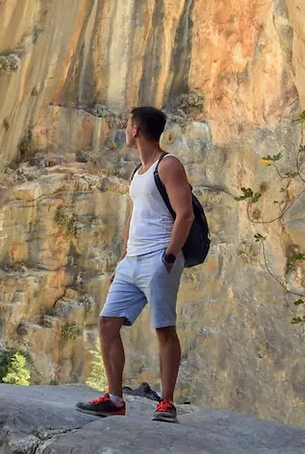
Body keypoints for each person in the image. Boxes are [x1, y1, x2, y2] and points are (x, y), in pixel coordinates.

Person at [75, 106, 194, 424]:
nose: (125, 129)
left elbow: (185, 214)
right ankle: (114, 398)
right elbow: (136, 217)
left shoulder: (168, 166)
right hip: (132, 260)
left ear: (136, 130)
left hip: (159, 257)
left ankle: (167, 403)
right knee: (107, 324)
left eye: (127, 124)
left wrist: (168, 258)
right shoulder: (138, 172)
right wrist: (124, 259)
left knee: (164, 329)